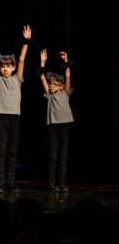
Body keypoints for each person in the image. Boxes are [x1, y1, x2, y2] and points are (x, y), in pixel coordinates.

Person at [0, 23, 31, 193]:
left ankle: (11, 182)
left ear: (12, 68)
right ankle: (0, 182)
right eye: (2, 66)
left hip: (14, 116)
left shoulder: (17, 78)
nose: (4, 68)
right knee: (1, 150)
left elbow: (22, 60)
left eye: (8, 66)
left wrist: (26, 42)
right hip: (0, 116)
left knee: (13, 151)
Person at [39, 49, 74, 193]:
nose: (51, 86)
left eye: (54, 84)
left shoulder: (65, 93)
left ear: (60, 85)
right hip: (52, 126)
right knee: (53, 156)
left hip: (64, 125)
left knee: (63, 156)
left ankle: (62, 183)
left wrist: (66, 62)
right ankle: (52, 183)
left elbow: (67, 75)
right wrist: (42, 62)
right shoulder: (49, 95)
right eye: (50, 84)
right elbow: (42, 77)